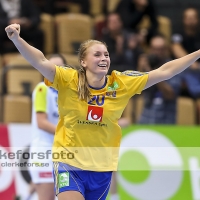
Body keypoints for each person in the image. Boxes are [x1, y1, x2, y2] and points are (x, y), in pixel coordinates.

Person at [5, 23, 200, 200]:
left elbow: (165, 71)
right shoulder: (68, 80)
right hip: (69, 163)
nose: (104, 58)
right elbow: (39, 60)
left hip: (102, 167)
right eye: (97, 54)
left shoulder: (121, 83)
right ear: (83, 61)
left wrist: (198, 53)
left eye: (106, 54)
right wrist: (17, 39)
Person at [29, 54, 67, 200]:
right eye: (52, 67)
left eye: (60, 67)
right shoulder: (42, 88)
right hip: (44, 152)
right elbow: (41, 123)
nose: (55, 71)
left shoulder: (68, 93)